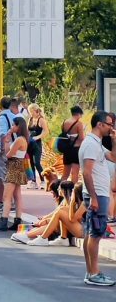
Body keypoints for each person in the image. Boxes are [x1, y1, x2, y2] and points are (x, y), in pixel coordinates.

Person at [79, 111, 115, 286]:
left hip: (98, 193)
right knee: (96, 233)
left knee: (92, 232)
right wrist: (94, 197)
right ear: (100, 124)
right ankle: (93, 272)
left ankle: (91, 271)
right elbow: (86, 172)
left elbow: (114, 158)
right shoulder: (91, 145)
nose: (111, 127)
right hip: (97, 194)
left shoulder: (97, 144)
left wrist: (115, 141)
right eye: (109, 124)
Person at [0, 116, 29, 232]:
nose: (12, 127)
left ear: (18, 126)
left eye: (13, 125)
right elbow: (9, 153)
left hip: (13, 168)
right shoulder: (22, 139)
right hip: (18, 167)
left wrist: (7, 142)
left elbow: (8, 155)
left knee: (6, 196)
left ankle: (4, 220)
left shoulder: (19, 140)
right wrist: (7, 140)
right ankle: (17, 220)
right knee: (17, 196)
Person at [59, 106, 85, 185]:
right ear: (79, 114)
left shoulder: (64, 122)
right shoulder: (79, 124)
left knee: (65, 173)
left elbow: (64, 135)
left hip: (66, 149)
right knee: (75, 173)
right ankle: (73, 192)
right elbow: (81, 138)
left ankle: (60, 191)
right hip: (75, 149)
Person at [27, 103, 47, 187]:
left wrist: (37, 137)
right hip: (30, 143)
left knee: (37, 162)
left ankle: (43, 180)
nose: (31, 113)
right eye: (30, 111)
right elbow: (28, 130)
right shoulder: (30, 119)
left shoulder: (41, 120)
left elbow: (46, 131)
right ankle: (33, 181)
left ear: (36, 111)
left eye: (32, 111)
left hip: (37, 143)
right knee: (30, 162)